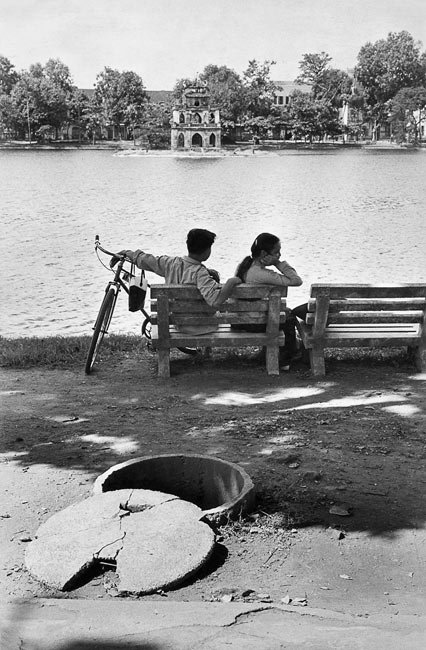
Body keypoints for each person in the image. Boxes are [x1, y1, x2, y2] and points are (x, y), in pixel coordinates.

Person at [112, 228, 241, 334]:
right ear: (207, 250)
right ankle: (206, 351)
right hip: (203, 326)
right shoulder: (200, 273)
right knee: (219, 311)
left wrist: (126, 253)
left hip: (179, 324)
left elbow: (146, 260)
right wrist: (231, 282)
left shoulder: (170, 263)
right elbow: (215, 301)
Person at [234, 232, 307, 366]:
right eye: (276, 252)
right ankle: (289, 355)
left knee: (286, 313)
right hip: (253, 323)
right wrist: (278, 263)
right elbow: (296, 281)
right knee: (288, 317)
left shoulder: (246, 266)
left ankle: (285, 353)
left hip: (240, 319)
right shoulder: (262, 274)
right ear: (263, 254)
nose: (279, 255)